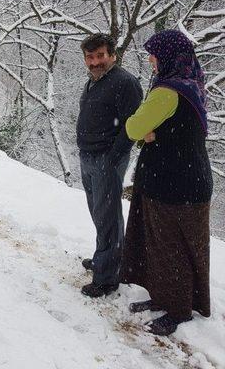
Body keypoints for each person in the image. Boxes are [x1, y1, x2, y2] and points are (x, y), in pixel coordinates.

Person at [120, 30, 212, 336]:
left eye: (154, 54)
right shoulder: (192, 83)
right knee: (176, 245)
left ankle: (177, 310)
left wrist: (150, 133)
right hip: (192, 178)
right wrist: (158, 134)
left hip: (172, 182)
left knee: (169, 247)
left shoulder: (166, 92)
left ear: (168, 56)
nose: (150, 60)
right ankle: (164, 297)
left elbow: (133, 127)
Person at [76, 33, 143, 298]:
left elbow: (132, 125)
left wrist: (113, 156)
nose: (94, 62)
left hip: (106, 159)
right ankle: (107, 259)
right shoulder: (93, 81)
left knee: (108, 217)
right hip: (88, 156)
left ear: (112, 55)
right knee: (99, 213)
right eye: (90, 57)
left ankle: (107, 278)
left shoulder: (125, 82)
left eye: (100, 56)